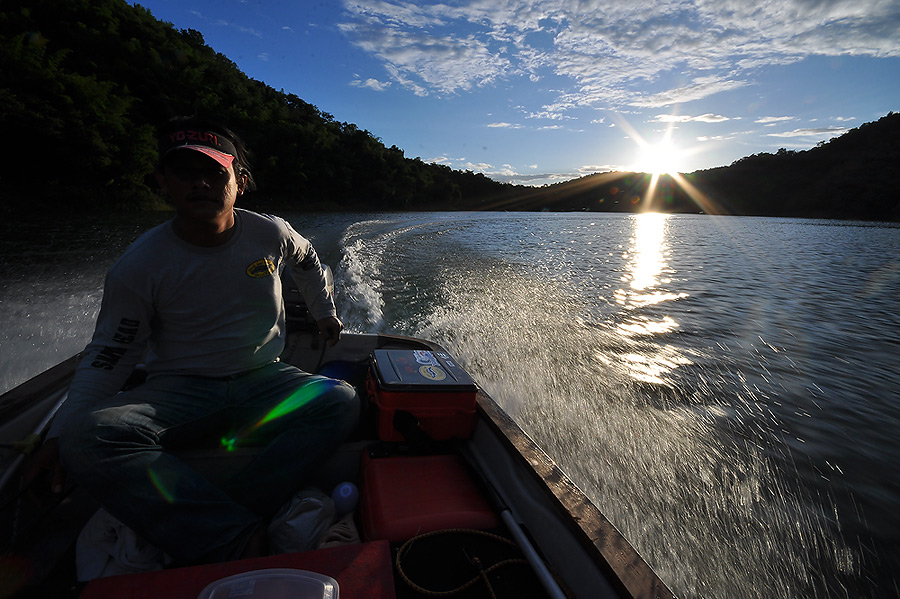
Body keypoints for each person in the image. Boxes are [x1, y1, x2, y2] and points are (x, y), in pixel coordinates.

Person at [25, 116, 359, 565]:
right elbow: (110, 354)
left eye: (214, 173)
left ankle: (223, 515)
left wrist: (326, 314)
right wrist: (61, 432)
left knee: (339, 399)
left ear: (240, 182)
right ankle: (234, 538)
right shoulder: (140, 265)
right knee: (88, 439)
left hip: (265, 379)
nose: (200, 183)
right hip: (180, 391)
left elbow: (309, 262)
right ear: (164, 181)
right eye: (184, 173)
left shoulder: (270, 233)